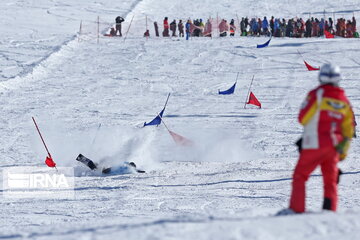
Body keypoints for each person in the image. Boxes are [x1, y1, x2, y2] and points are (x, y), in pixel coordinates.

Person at [288, 64, 355, 214]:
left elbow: (303, 118)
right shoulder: (343, 100)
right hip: (334, 147)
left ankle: (296, 210)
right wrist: (342, 153)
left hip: (315, 143)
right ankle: (329, 211)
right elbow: (348, 130)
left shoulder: (317, 94)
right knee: (330, 181)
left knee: (300, 175)